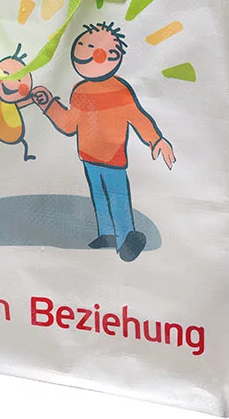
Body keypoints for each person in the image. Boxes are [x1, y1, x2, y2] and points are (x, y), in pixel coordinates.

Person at [33, 22, 175, 262]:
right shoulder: (80, 91)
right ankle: (106, 234)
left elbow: (138, 118)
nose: (82, 51)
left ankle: (126, 238)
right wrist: (48, 105)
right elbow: (69, 124)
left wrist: (156, 140)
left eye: (90, 47)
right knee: (99, 197)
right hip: (89, 157)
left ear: (110, 56)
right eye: (81, 45)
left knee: (118, 199)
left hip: (113, 159)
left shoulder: (120, 90)